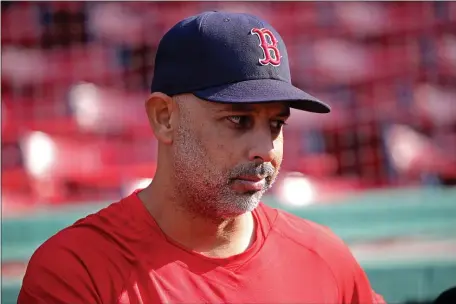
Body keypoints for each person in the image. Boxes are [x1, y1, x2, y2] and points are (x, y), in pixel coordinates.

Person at [18, 11, 385, 304]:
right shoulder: (79, 270)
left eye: (275, 124)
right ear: (165, 118)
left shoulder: (323, 257)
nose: (266, 149)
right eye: (238, 120)